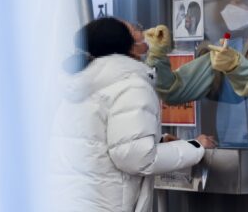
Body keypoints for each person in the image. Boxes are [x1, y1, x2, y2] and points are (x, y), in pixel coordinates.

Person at [50, 17, 217, 212]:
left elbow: (100, 141)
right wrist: (194, 147)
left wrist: (156, 140)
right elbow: (137, 158)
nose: (143, 31)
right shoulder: (130, 84)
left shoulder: (83, 84)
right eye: (134, 29)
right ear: (127, 46)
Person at [144, 24, 248, 104]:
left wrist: (237, 66)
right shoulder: (220, 53)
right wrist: (156, 56)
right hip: (234, 134)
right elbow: (173, 90)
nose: (235, 0)